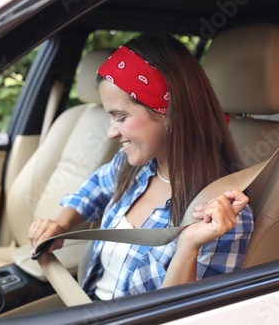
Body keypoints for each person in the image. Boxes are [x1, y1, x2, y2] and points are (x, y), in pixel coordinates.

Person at [29, 32, 254, 301]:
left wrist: (188, 245)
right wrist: (59, 225)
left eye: (120, 117)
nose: (110, 133)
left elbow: (186, 315)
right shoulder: (131, 168)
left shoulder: (222, 216)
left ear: (168, 113)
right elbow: (96, 187)